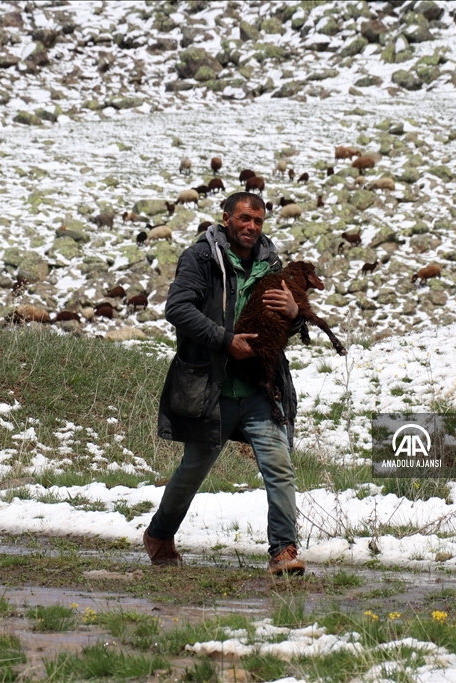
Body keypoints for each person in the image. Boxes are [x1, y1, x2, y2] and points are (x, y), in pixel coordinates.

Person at [143, 191, 306, 576]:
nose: (251, 227)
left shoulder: (271, 263)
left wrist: (296, 314)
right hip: (211, 388)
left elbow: (284, 325)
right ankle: (159, 534)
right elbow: (178, 309)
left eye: (258, 221)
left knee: (279, 465)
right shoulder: (200, 258)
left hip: (260, 388)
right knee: (194, 469)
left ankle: (283, 550)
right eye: (244, 219)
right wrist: (225, 340)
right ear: (226, 218)